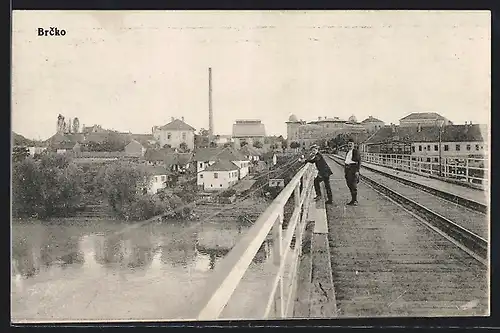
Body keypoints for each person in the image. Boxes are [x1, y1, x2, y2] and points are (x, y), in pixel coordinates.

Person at [344, 139, 361, 205]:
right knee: (349, 184)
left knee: (353, 185)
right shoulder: (348, 152)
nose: (350, 145)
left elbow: (359, 162)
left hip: (353, 169)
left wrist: (357, 171)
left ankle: (355, 200)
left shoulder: (356, 151)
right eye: (349, 144)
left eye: (351, 144)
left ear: (353, 145)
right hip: (347, 169)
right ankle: (352, 200)